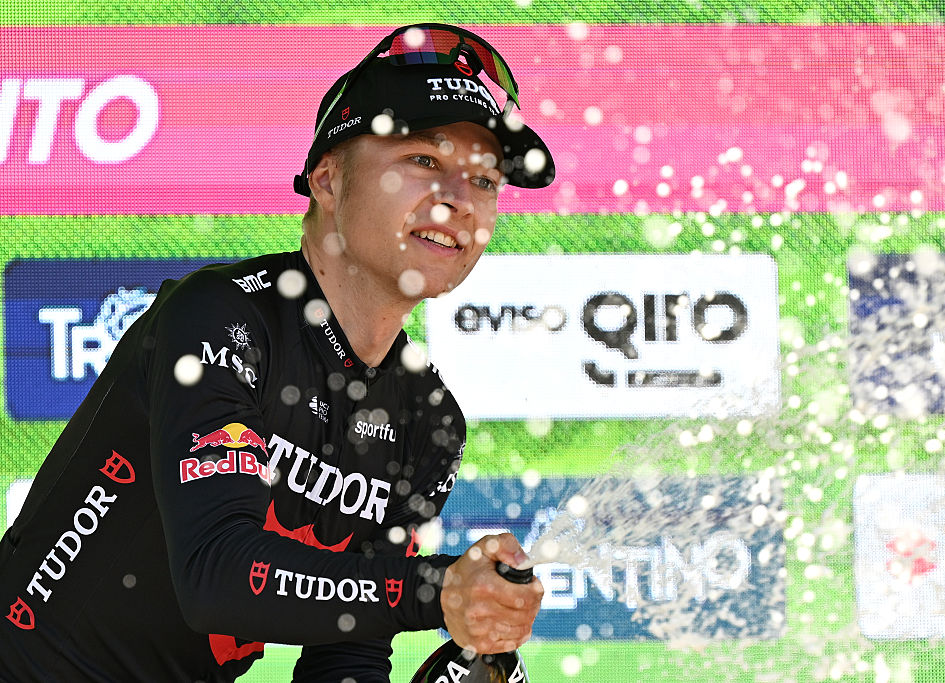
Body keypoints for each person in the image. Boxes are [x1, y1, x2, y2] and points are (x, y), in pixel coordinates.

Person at [0, 23, 555, 682]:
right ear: (327, 179)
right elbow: (216, 574)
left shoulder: (428, 420)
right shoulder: (220, 318)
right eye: (425, 161)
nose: (461, 201)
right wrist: (432, 590)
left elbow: (347, 649)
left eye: (486, 179)